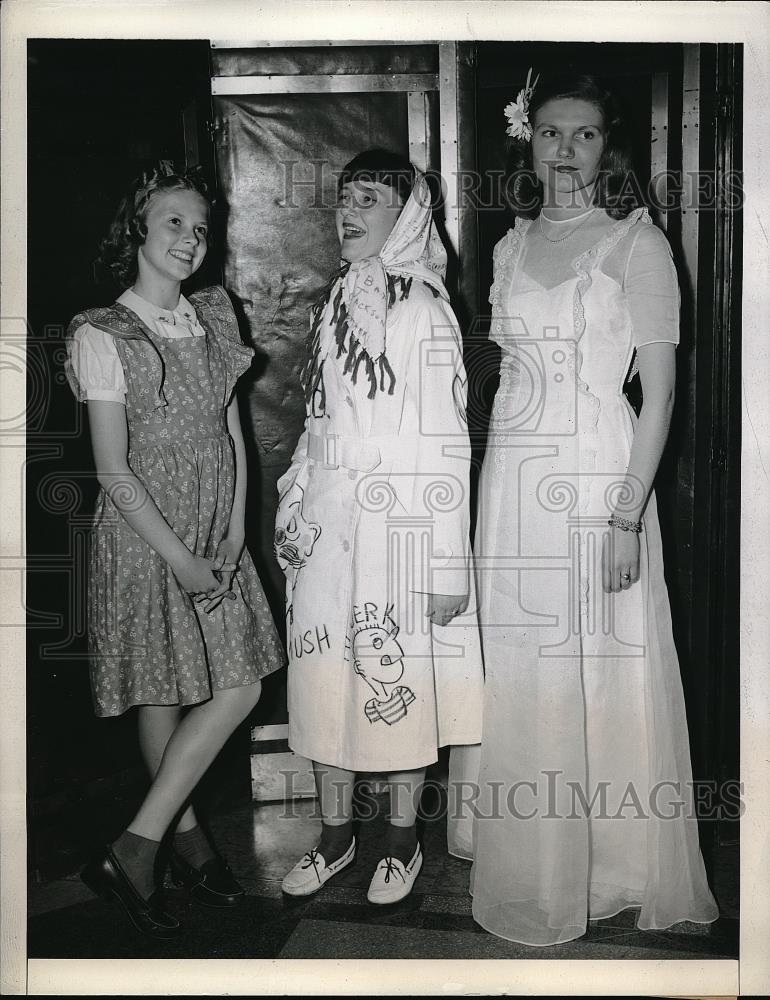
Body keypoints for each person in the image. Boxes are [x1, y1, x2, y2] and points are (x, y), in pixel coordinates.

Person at [448, 73, 720, 945]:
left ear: (611, 149)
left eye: (586, 135)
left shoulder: (637, 245)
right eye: (552, 133)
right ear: (529, 142)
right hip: (514, 485)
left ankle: (611, 867)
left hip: (599, 476)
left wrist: (626, 517)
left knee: (598, 668)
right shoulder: (509, 246)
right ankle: (529, 862)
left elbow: (664, 394)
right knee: (524, 669)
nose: (565, 150)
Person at [65, 163, 285, 938]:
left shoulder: (214, 318)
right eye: (173, 223)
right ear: (139, 230)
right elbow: (113, 469)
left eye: (201, 227)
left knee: (237, 687)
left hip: (211, 532)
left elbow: (232, 435)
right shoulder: (104, 331)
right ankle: (172, 844)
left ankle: (143, 844)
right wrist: (182, 558)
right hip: (146, 535)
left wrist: (230, 532)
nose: (191, 240)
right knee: (164, 694)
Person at [275, 149, 483, 905]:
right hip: (332, 527)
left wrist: (447, 564)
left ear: (407, 217)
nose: (349, 212)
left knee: (397, 681)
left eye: (369, 199)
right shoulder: (335, 305)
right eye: (343, 199)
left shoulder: (425, 311)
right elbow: (317, 419)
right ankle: (336, 838)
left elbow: (447, 445)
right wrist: (296, 499)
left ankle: (400, 843)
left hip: (400, 530)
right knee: (325, 682)